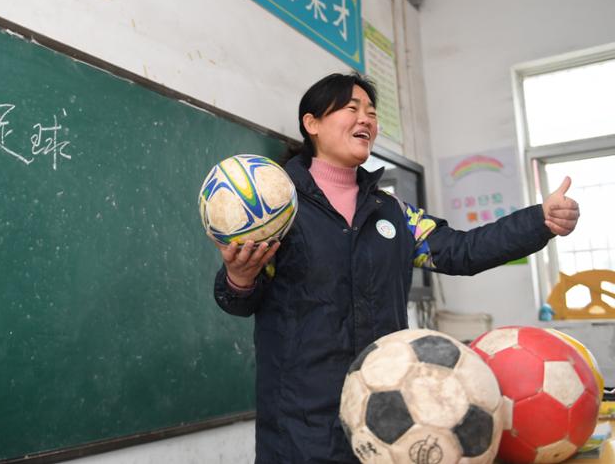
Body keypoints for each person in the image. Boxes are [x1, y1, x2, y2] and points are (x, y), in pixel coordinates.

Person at [211, 72, 579, 463]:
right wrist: (239, 279)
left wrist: (539, 221)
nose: (365, 119)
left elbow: (463, 251)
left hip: (387, 421)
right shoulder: (276, 208)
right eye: (351, 108)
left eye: (371, 112)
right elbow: (238, 301)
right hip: (299, 426)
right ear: (312, 123)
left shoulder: (392, 212)